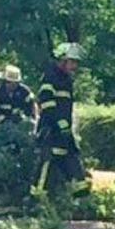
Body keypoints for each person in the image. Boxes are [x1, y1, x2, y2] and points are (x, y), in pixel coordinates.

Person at [33, 42, 89, 197]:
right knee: (47, 163)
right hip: (50, 131)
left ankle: (79, 196)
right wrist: (60, 124)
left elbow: (67, 107)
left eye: (76, 62)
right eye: (72, 62)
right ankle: (37, 199)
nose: (74, 66)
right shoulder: (51, 76)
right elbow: (46, 102)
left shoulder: (66, 80)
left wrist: (67, 127)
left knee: (71, 159)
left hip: (63, 131)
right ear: (63, 60)